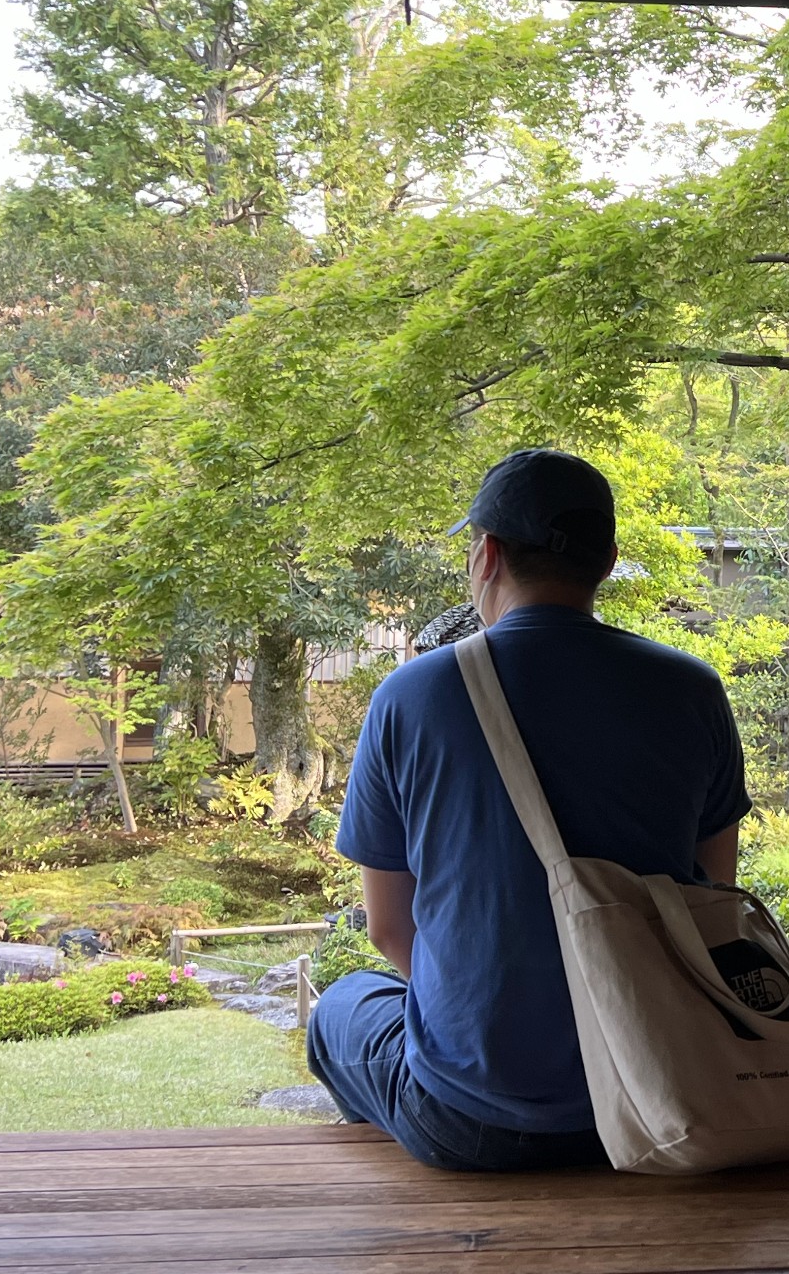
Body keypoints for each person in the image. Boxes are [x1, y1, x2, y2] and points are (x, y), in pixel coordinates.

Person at [307, 448, 752, 1172]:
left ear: (486, 555)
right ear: (607, 562)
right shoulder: (692, 689)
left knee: (344, 1006)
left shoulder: (412, 696)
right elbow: (714, 902)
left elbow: (392, 930)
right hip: (656, 1095)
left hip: (470, 1120)